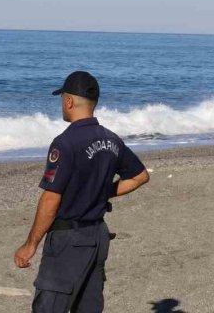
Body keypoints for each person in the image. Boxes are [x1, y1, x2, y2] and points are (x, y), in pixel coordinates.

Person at [14, 71, 150, 312]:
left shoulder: (65, 142)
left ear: (68, 101)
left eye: (62, 100)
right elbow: (140, 176)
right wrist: (100, 191)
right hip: (97, 236)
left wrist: (31, 244)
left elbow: (51, 198)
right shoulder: (111, 140)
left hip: (69, 239)